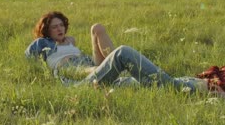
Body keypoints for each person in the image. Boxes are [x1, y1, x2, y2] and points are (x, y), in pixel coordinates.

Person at [25, 11, 225, 96]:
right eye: (54, 27)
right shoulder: (44, 44)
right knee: (122, 53)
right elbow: (28, 57)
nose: (60, 29)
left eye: (61, 25)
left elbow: (94, 65)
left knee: (146, 83)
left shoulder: (72, 44)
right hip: (77, 82)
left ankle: (207, 87)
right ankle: (204, 88)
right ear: (46, 31)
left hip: (94, 73)